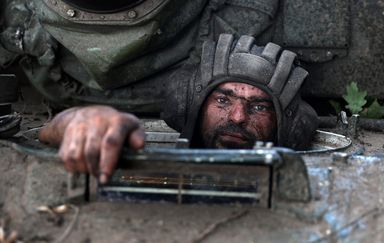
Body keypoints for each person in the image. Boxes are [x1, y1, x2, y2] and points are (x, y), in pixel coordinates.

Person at [39, 34, 318, 184]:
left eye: (259, 106)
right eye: (222, 100)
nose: (237, 117)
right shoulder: (136, 146)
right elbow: (45, 134)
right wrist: (76, 120)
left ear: (285, 123)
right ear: (193, 105)